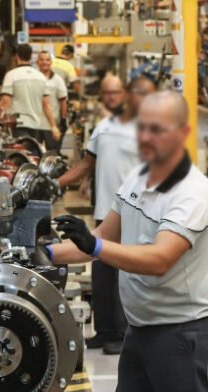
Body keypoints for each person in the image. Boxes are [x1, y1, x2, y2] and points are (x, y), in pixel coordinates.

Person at [46, 91, 208, 392]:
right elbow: (99, 240)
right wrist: (40, 255)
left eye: (158, 129)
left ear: (183, 133)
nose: (147, 138)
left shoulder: (192, 193)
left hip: (181, 336)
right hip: (139, 331)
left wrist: (94, 245)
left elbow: (159, 259)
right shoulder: (139, 177)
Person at [56, 74, 156, 354]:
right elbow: (85, 165)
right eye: (107, 93)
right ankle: (104, 331)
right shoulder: (102, 128)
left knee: (124, 275)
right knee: (102, 274)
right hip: (105, 211)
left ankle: (122, 334)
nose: (112, 97)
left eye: (116, 92)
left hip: (133, 212)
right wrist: (53, 183)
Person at [0, 44, 60, 148]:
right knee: (32, 152)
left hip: (18, 124)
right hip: (36, 124)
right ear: (31, 57)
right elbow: (46, 104)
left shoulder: (11, 75)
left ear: (16, 57)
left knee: (20, 153)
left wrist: (0, 118)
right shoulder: (40, 77)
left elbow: (5, 102)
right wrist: (53, 126)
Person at [36, 50, 69, 154]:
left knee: (52, 155)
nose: (44, 62)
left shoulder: (57, 79)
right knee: (34, 154)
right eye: (41, 60)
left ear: (51, 62)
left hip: (51, 126)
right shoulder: (33, 78)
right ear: (37, 62)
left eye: (47, 60)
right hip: (35, 125)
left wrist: (63, 120)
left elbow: (63, 101)